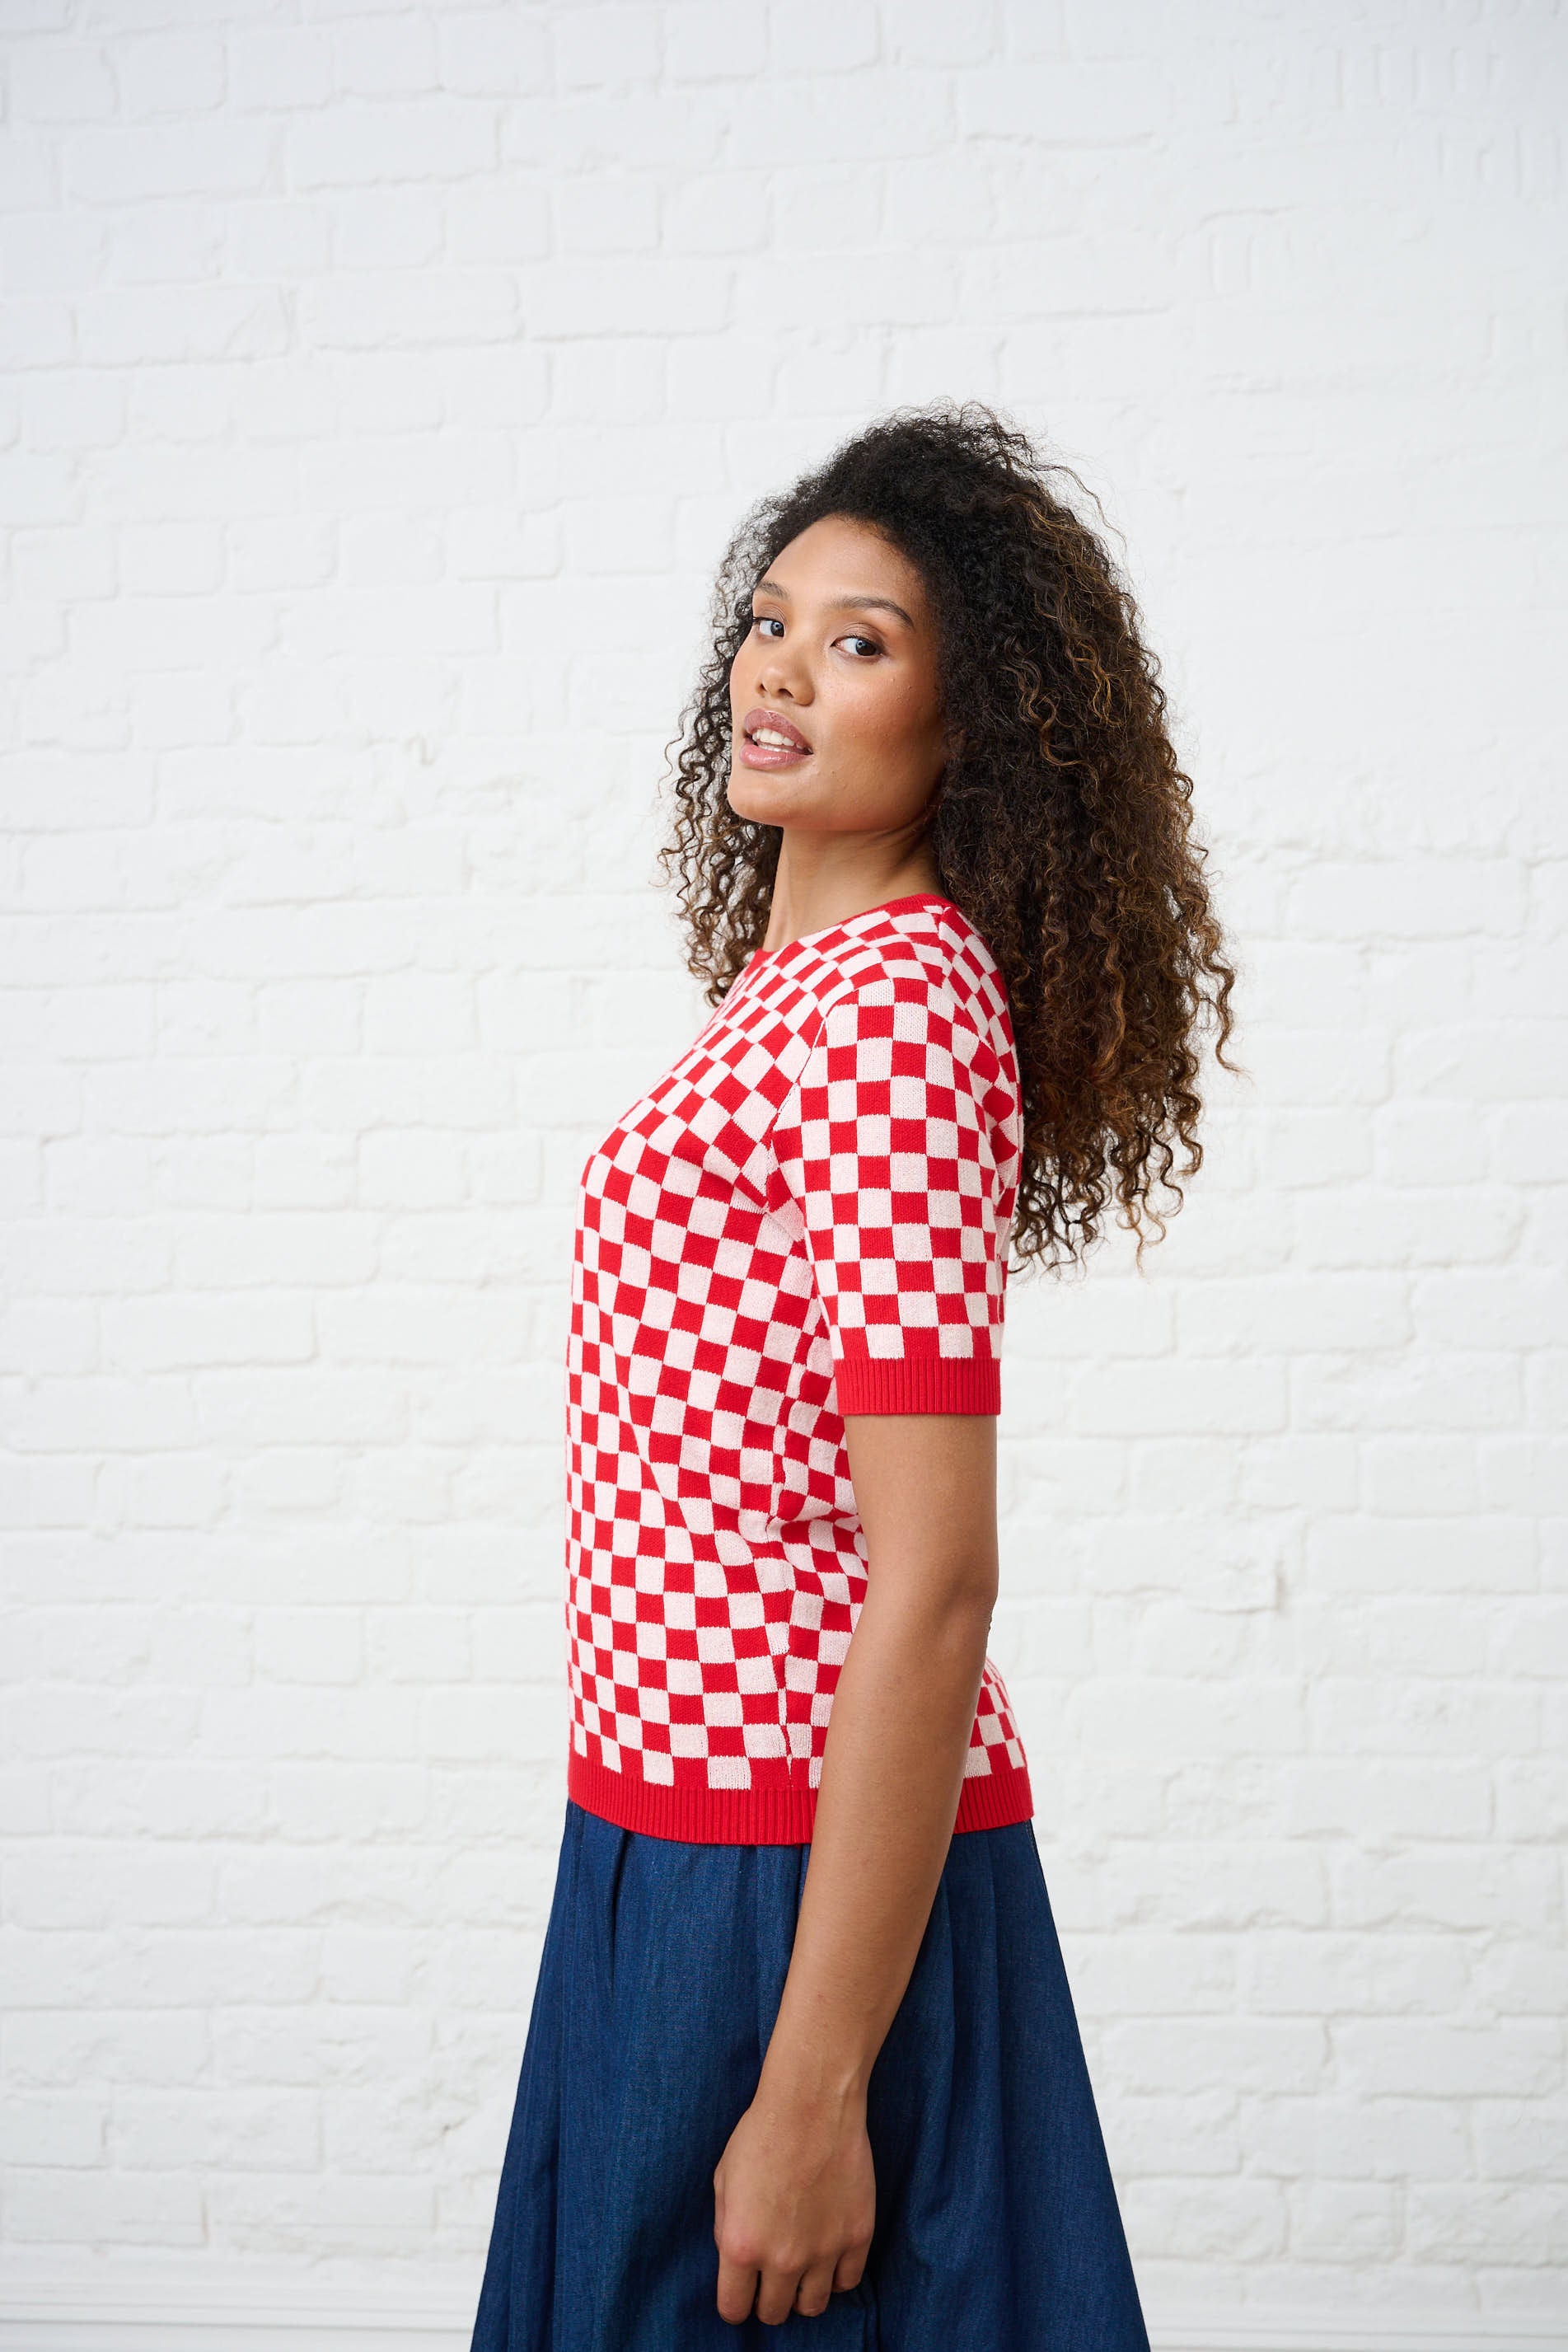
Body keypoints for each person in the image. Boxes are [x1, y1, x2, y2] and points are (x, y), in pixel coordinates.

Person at [470, 401, 1236, 2350]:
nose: (782, 667)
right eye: (771, 618)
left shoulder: (895, 1004)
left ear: (973, 723)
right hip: (673, 1820)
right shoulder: (795, 994)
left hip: (788, 1863)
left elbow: (939, 1574)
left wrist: (812, 2087)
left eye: (861, 638)